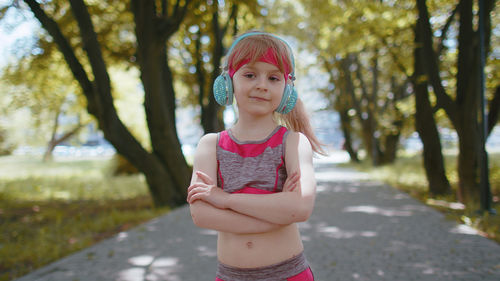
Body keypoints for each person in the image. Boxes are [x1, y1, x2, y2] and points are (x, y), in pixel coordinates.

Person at [187, 31, 324, 281]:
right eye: (250, 75)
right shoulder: (210, 145)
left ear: (286, 87)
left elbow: (300, 208)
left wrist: (224, 199)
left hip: (288, 275)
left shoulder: (293, 143)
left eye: (273, 78)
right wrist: (278, 213)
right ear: (228, 82)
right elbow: (201, 214)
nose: (262, 85)